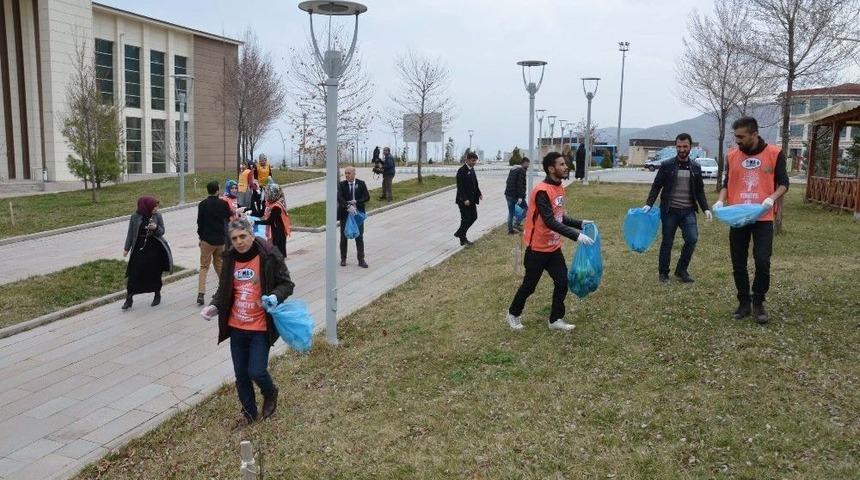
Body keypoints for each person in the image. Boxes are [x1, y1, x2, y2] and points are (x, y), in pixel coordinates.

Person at [201, 219, 294, 426]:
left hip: (260, 327)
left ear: (251, 235)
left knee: (257, 371)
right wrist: (214, 306)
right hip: (237, 327)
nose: (239, 242)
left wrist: (274, 297)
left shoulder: (269, 255)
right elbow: (224, 289)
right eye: (234, 239)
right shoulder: (230, 258)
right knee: (241, 376)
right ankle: (249, 414)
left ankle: (270, 392)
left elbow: (287, 284)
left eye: (243, 236)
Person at [506, 152, 593, 331]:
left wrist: (580, 223)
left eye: (565, 164)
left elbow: (559, 217)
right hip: (536, 248)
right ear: (551, 169)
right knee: (529, 286)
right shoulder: (542, 191)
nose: (566, 166)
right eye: (561, 164)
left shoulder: (560, 187)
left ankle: (555, 319)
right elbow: (549, 221)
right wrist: (576, 236)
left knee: (562, 282)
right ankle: (513, 314)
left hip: (553, 248)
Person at [713, 116, 789, 324]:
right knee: (738, 262)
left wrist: (770, 199)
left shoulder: (774, 153)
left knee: (762, 260)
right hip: (738, 216)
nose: (737, 140)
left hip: (763, 216)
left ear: (754, 134)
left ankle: (758, 302)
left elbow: (783, 183)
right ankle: (743, 302)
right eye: (735, 136)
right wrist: (720, 201)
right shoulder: (731, 155)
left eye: (741, 136)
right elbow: (727, 183)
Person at [643, 133, 712, 283]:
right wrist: (649, 203)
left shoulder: (695, 167)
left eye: (685, 146)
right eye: (679, 146)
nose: (682, 149)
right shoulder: (667, 165)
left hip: (688, 211)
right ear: (676, 147)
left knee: (692, 239)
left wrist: (706, 208)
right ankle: (663, 273)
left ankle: (681, 270)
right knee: (667, 241)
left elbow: (699, 190)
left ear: (690, 147)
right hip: (669, 211)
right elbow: (656, 186)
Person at [122, 196, 173, 310]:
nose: (156, 208)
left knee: (154, 273)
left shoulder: (157, 216)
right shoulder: (135, 217)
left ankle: (157, 294)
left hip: (154, 249)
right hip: (139, 248)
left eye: (156, 206)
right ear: (147, 206)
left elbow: (162, 231)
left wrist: (155, 228)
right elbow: (130, 233)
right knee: (134, 273)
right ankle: (129, 298)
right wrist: (126, 248)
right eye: (154, 206)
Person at [196, 181, 233, 305]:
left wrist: (200, 237)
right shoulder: (223, 204)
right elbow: (228, 217)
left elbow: (199, 222)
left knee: (204, 266)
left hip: (207, 240)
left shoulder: (202, 204)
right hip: (220, 240)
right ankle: (225, 288)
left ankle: (201, 293)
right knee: (219, 265)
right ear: (217, 191)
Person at [337, 166, 370, 268]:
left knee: (359, 237)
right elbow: (339, 198)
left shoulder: (361, 184)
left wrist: (357, 202)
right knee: (343, 237)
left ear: (354, 173)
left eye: (349, 173)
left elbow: (367, 197)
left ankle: (361, 259)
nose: (346, 175)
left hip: (357, 214)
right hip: (345, 214)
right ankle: (343, 259)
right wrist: (347, 206)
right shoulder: (342, 185)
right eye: (345, 173)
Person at [254, 183, 291, 258]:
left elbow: (269, 221)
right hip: (273, 230)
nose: (266, 196)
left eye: (268, 193)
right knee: (273, 250)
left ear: (273, 194)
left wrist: (255, 222)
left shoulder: (277, 207)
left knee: (278, 250)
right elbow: (260, 213)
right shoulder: (268, 203)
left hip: (278, 231)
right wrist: (249, 211)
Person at [454, 151, 483, 246]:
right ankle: (463, 238)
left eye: (475, 161)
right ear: (467, 160)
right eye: (473, 160)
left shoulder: (472, 169)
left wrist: (479, 193)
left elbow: (475, 183)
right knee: (466, 219)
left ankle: (460, 233)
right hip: (463, 200)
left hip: (472, 200)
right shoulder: (461, 171)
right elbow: (460, 187)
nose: (474, 162)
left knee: (474, 217)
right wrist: (465, 199)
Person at [505, 156, 529, 234]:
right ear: (523, 163)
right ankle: (517, 223)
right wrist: (520, 197)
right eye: (527, 164)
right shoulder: (522, 170)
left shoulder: (513, 169)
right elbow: (520, 184)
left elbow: (507, 181)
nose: (528, 165)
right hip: (515, 196)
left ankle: (510, 230)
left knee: (511, 212)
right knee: (526, 209)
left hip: (508, 194)